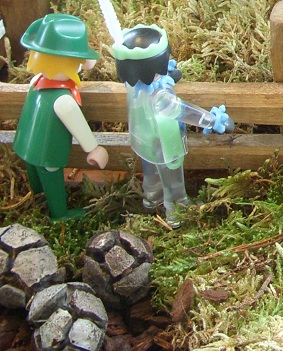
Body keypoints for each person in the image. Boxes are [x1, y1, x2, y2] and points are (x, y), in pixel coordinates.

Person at [112, 24, 233, 226]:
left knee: (151, 174)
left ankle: (152, 198)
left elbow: (147, 80)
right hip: (165, 143)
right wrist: (212, 120)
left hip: (143, 140)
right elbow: (183, 110)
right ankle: (177, 210)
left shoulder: (133, 86)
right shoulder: (161, 96)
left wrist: (162, 75)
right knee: (172, 179)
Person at [13, 14, 108, 219]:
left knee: (35, 173)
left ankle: (38, 196)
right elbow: (78, 125)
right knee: (52, 178)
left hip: (26, 144)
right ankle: (59, 214)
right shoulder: (63, 100)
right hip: (48, 151)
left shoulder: (36, 82)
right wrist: (93, 149)